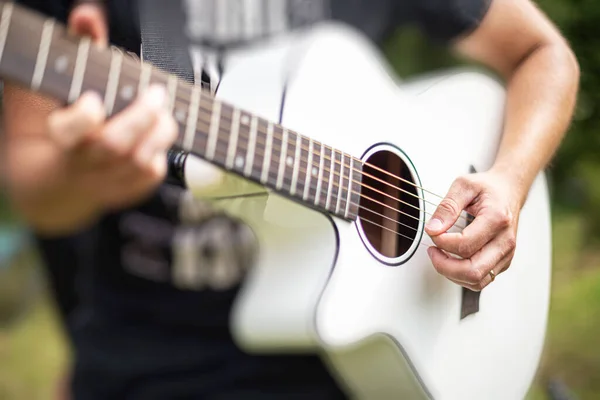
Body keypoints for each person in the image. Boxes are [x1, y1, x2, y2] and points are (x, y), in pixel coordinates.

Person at [3, 0, 579, 399]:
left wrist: (511, 178)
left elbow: (543, 53)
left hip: (362, 355)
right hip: (153, 357)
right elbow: (31, 179)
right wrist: (84, 176)